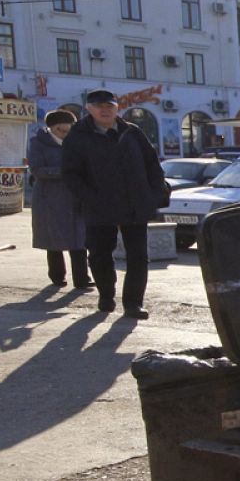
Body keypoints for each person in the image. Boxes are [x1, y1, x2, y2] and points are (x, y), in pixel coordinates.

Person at [61, 90, 169, 320]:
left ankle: (133, 304)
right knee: (100, 255)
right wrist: (89, 199)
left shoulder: (132, 132)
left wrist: (153, 194)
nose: (105, 110)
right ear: (89, 109)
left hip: (135, 205)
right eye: (99, 106)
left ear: (116, 107)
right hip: (99, 206)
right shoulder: (78, 136)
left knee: (138, 257)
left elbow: (153, 165)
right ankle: (106, 296)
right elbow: (71, 175)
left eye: (109, 106)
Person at [26, 110, 89, 289]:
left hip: (75, 197)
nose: (65, 131)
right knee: (53, 239)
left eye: (68, 127)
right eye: (60, 128)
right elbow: (37, 169)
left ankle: (82, 278)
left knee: (79, 240)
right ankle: (57, 276)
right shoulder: (38, 143)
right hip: (49, 199)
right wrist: (65, 172)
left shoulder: (77, 143)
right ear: (51, 128)